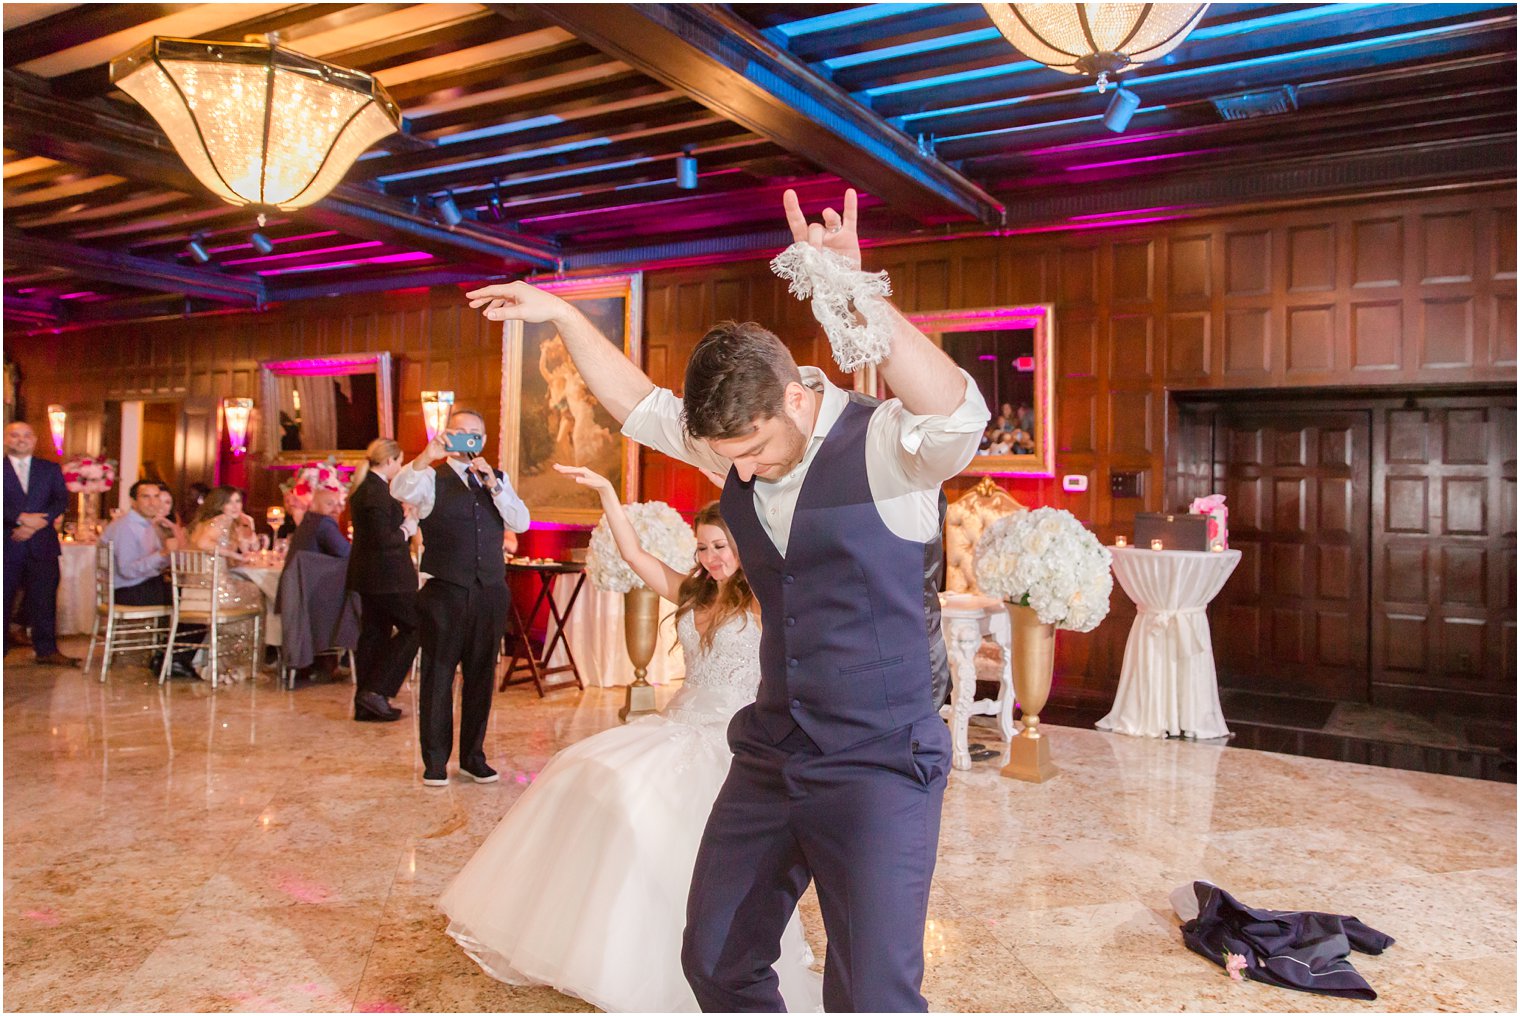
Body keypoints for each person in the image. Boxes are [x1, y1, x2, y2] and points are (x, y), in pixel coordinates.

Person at [467, 186, 987, 1012]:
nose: (740, 469)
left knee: (874, 996)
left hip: (879, 759)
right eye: (723, 456)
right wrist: (560, 315)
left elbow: (961, 411)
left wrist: (855, 294)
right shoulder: (733, 442)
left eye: (751, 449)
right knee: (714, 959)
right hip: (775, 744)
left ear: (793, 397)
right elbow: (636, 405)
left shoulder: (888, 448)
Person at [439, 465, 822, 1013]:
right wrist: (606, 495)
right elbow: (638, 557)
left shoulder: (766, 601)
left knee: (677, 830)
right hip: (675, 724)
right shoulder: (693, 593)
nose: (713, 557)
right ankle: (592, 941)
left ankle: (694, 956)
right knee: (583, 769)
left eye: (722, 546)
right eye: (705, 547)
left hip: (731, 740)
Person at [391, 408, 529, 786]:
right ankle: (435, 762)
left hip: (489, 592)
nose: (468, 439)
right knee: (438, 675)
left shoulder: (495, 479)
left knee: (481, 676)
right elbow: (399, 490)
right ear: (447, 437)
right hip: (444, 592)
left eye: (474, 434)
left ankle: (473, 757)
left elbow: (521, 521)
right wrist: (425, 455)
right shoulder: (429, 478)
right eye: (459, 432)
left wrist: (495, 486)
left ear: (483, 441)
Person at [345, 438, 418, 724]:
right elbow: (383, 540)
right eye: (399, 462)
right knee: (417, 626)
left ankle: (368, 703)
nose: (400, 467)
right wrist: (407, 528)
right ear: (389, 461)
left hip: (371, 576)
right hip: (388, 577)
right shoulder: (375, 493)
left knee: (374, 634)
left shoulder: (367, 489)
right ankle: (376, 691)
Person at [100, 479, 200, 678]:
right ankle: (175, 659)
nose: (153, 502)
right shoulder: (127, 527)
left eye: (156, 497)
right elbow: (128, 570)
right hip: (129, 591)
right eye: (146, 497)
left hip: (140, 585)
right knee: (196, 602)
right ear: (134, 501)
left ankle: (167, 656)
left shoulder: (145, 525)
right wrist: (162, 554)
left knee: (192, 595)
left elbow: (165, 560)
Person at [3, 421, 77, 666]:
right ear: (5, 439)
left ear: (34, 440)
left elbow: (60, 500)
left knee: (44, 597)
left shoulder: (49, 469)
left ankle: (46, 650)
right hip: (7, 542)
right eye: (14, 435)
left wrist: (38, 523)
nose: (20, 439)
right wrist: (19, 519)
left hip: (42, 544)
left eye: (26, 435)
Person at [187, 486, 264, 611]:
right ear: (219, 504)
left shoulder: (207, 522)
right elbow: (203, 543)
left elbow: (250, 549)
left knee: (249, 587)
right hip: (214, 591)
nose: (235, 506)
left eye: (237, 501)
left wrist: (249, 525)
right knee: (257, 590)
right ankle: (237, 631)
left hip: (195, 592)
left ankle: (224, 630)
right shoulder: (221, 519)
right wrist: (233, 555)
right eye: (229, 502)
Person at [286, 487, 350, 560]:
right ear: (313, 506)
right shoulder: (324, 523)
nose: (336, 510)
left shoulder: (308, 521)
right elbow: (347, 553)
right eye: (329, 504)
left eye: (339, 505)